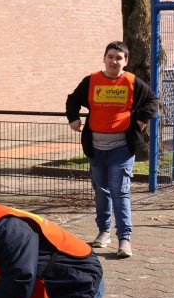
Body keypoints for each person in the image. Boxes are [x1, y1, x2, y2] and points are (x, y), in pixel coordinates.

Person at [65, 41, 158, 258]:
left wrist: (142, 119)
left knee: (120, 191)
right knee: (101, 191)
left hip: (121, 149)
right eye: (110, 57)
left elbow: (152, 101)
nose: (114, 61)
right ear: (104, 59)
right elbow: (73, 100)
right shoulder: (91, 81)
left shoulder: (132, 81)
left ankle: (124, 239)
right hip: (96, 149)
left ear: (126, 61)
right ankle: (103, 232)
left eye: (119, 58)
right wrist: (73, 118)